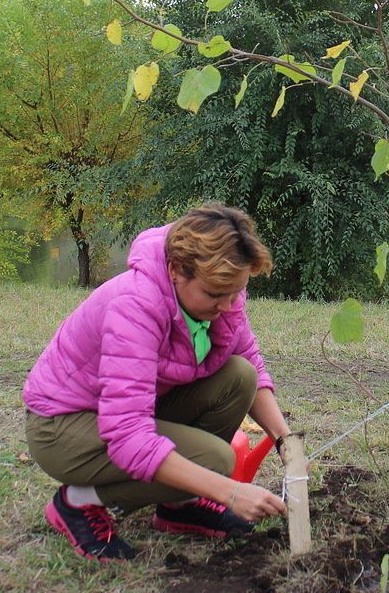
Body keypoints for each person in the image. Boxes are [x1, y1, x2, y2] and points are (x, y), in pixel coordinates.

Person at [23, 203, 292, 561]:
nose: (228, 306)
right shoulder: (135, 305)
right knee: (215, 460)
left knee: (238, 376)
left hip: (123, 411)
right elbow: (128, 436)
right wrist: (229, 492)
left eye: (236, 293)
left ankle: (179, 506)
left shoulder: (224, 296)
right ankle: (76, 503)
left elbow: (253, 369)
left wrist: (286, 443)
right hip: (63, 426)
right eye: (215, 295)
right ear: (177, 270)